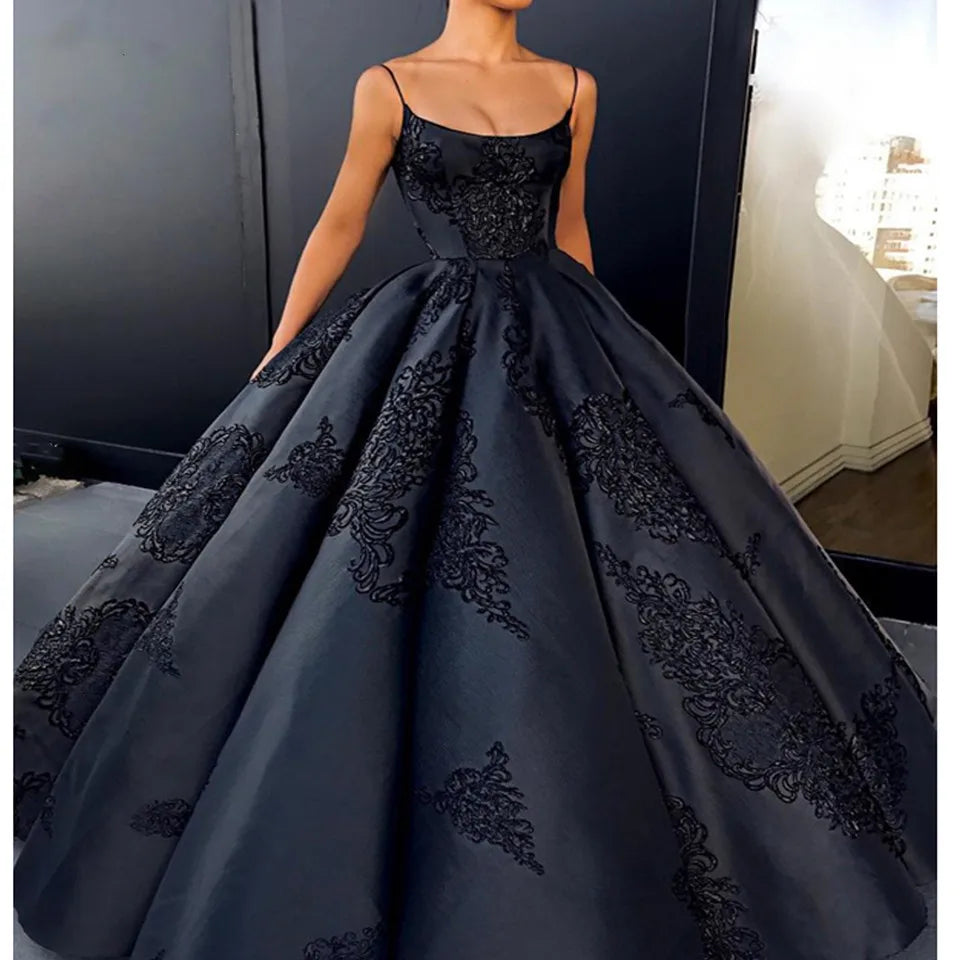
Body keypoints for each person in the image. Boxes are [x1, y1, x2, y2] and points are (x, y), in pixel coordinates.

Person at [14, 1, 935, 958]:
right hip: (429, 327)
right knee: (362, 548)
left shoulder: (573, 87)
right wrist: (283, 351)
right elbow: (342, 218)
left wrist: (601, 355)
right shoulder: (390, 85)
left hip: (558, 324)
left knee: (621, 553)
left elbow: (569, 227)